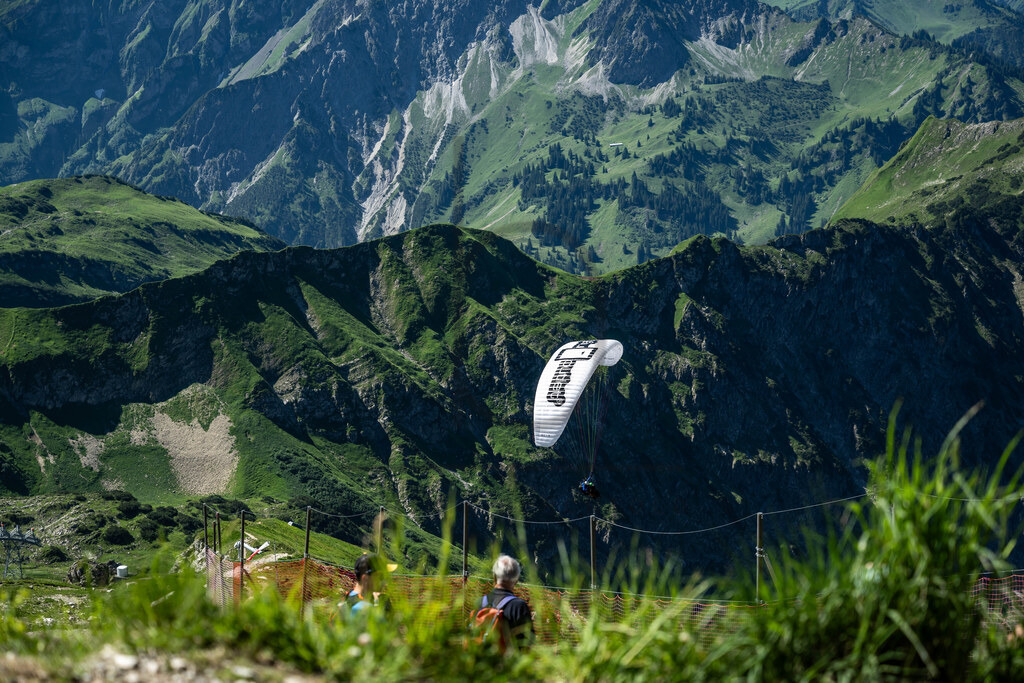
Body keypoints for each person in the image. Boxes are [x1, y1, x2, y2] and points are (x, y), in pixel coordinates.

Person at [478, 554, 534, 648]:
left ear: (494, 577)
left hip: (479, 656)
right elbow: (528, 644)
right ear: (516, 580)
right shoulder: (518, 607)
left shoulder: (479, 602)